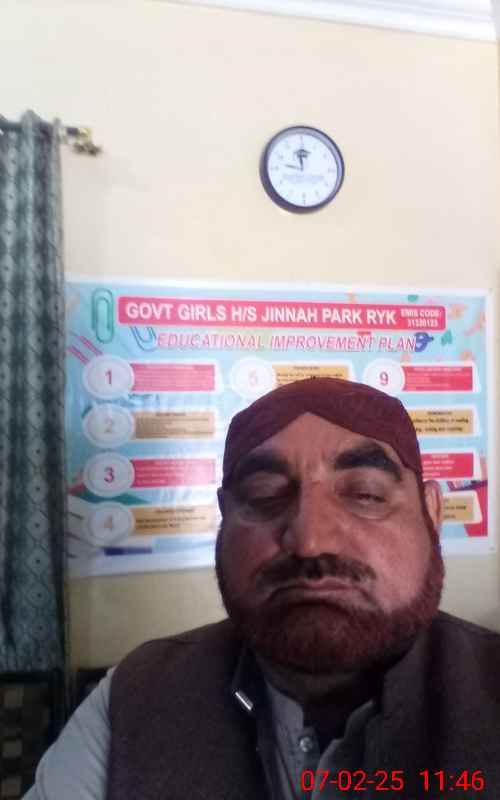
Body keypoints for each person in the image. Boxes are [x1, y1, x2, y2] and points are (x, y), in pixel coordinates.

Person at [25, 377, 500, 800]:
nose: (310, 541)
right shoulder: (133, 700)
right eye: (264, 495)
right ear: (224, 518)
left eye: (366, 494)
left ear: (432, 512)